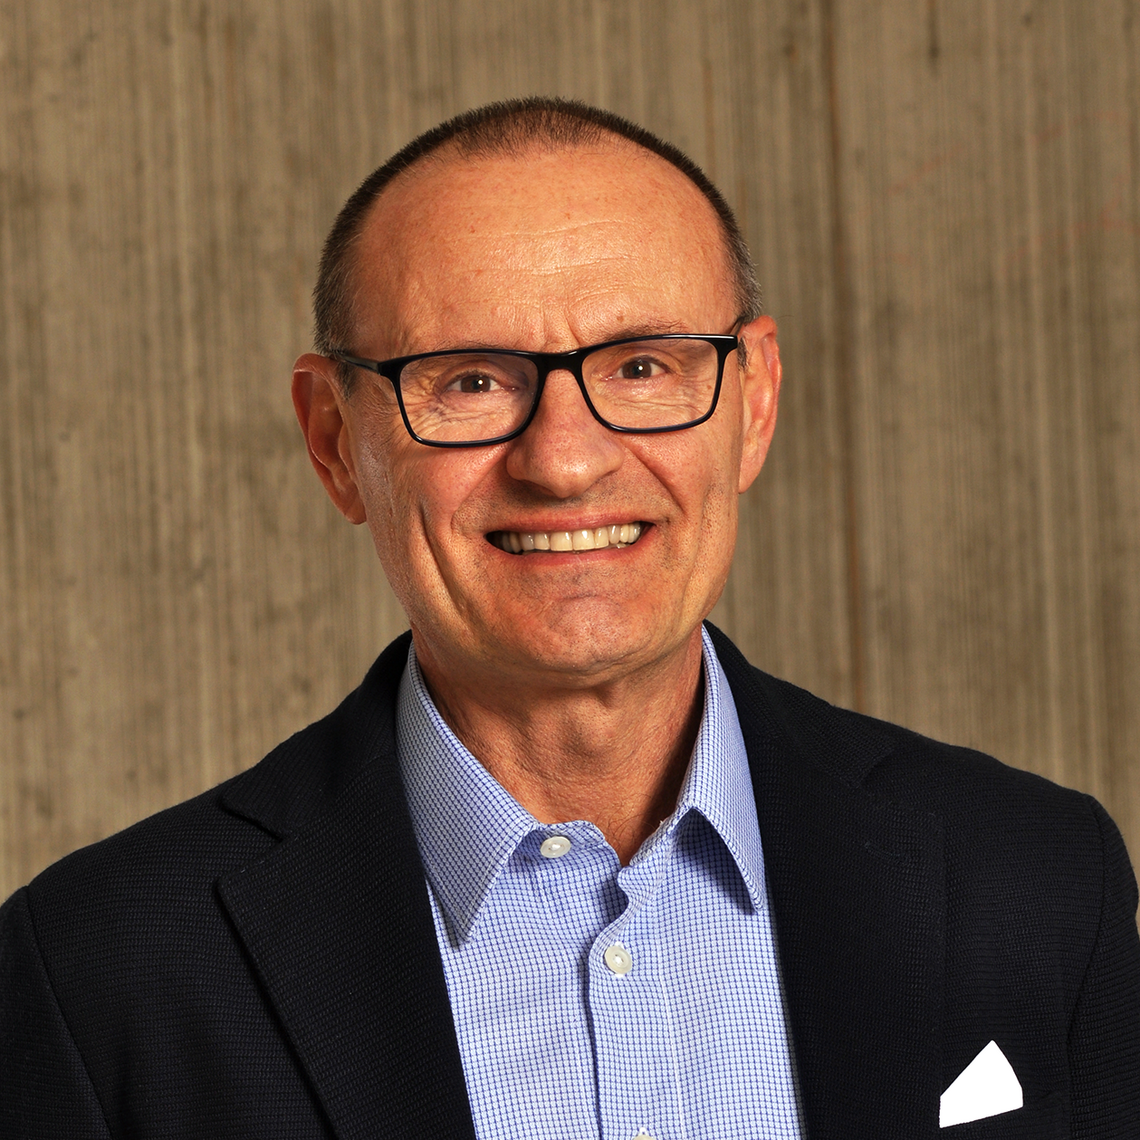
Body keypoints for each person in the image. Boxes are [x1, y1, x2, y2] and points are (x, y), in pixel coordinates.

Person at [2, 98, 1137, 1139]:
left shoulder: (1033, 881)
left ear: (757, 404)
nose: (566, 460)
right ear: (334, 442)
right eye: (471, 381)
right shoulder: (101, 976)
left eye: (643, 365)